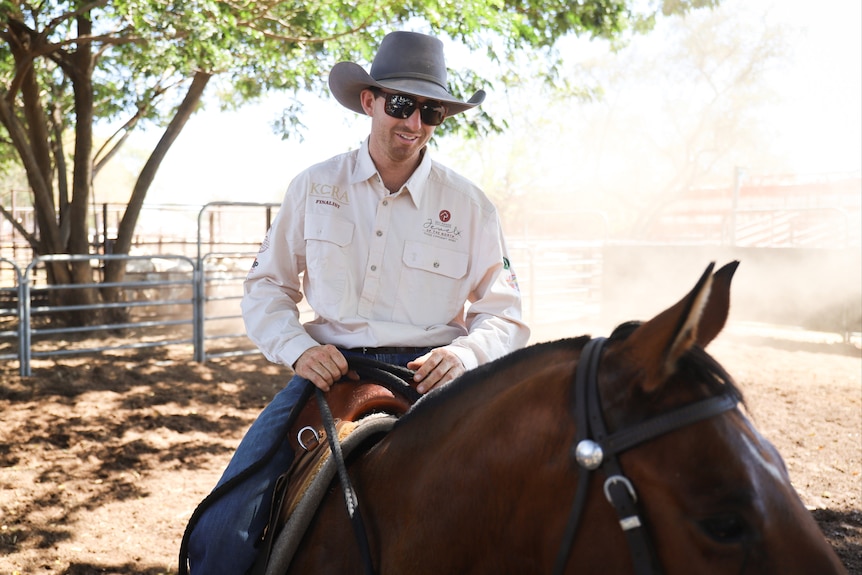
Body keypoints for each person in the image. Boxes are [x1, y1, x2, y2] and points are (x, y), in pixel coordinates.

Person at [186, 30, 530, 573]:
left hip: (433, 378)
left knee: (526, 520)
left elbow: (504, 312)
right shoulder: (314, 187)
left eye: (430, 111)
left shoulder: (470, 207)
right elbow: (267, 286)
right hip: (333, 375)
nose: (414, 123)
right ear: (369, 102)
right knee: (223, 533)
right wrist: (298, 348)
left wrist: (463, 356)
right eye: (400, 104)